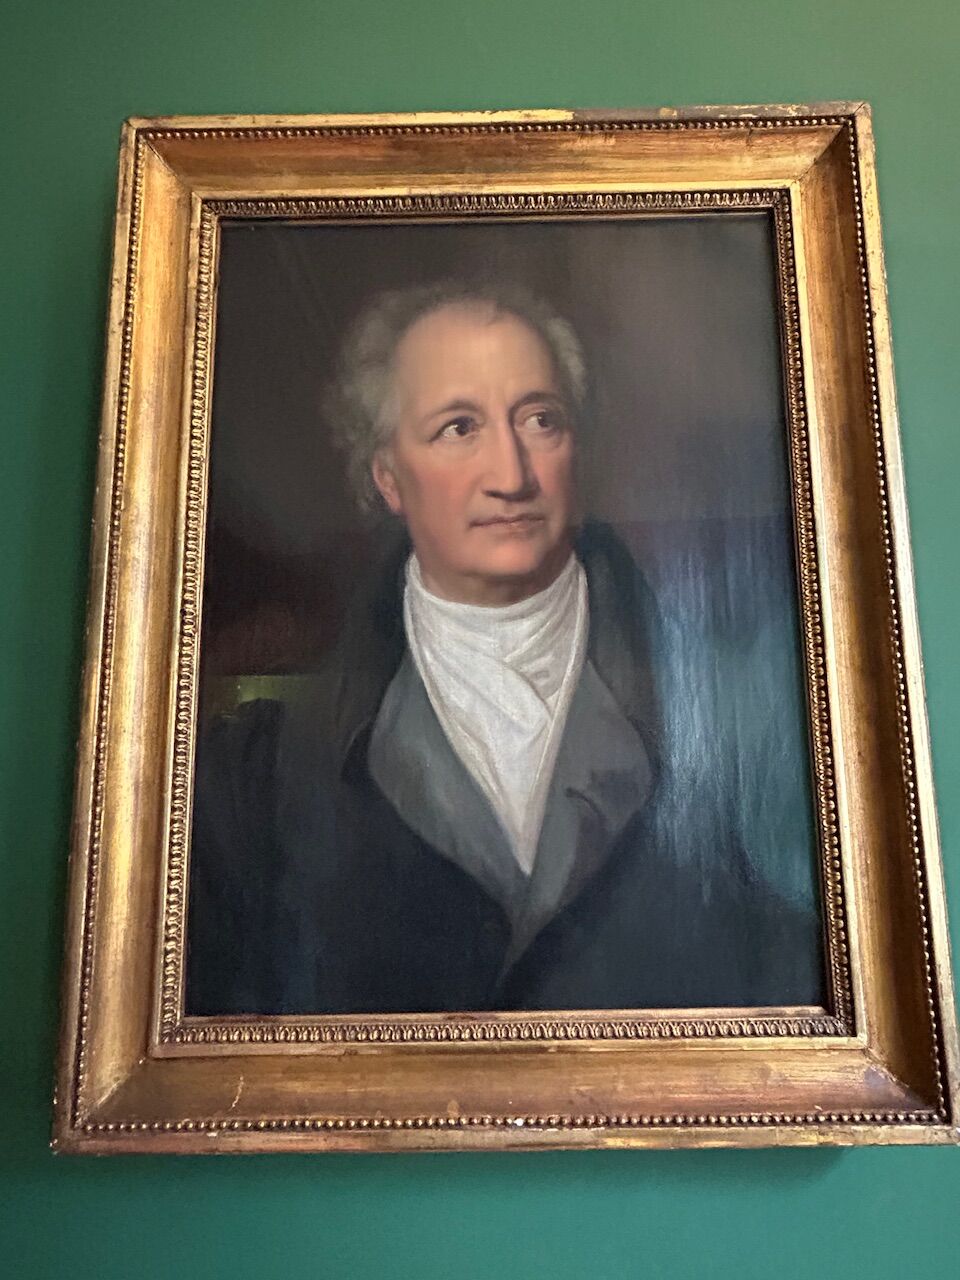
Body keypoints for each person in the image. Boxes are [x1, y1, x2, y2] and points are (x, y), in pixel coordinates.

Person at [186, 280, 825, 1016]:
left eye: (540, 420)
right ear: (388, 478)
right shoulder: (257, 781)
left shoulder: (742, 716)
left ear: (576, 450)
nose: (512, 476)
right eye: (459, 428)